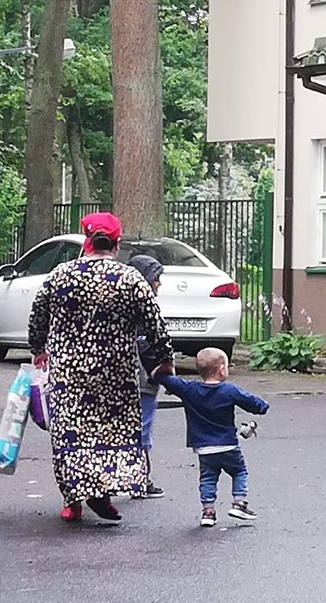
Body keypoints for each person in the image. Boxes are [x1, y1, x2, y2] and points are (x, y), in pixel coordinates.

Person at [27, 211, 170, 523]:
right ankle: (102, 493)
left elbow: (38, 315)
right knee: (110, 432)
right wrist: (165, 358)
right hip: (115, 371)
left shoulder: (60, 275)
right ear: (116, 245)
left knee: (71, 434)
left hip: (69, 371)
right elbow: (155, 323)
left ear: (86, 243)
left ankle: (73, 500)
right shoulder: (131, 278)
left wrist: (38, 349)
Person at [157, 346, 270, 527]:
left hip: (204, 448)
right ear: (222, 369)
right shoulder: (229, 390)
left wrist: (160, 371)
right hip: (228, 445)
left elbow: (169, 381)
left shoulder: (189, 389)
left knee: (208, 478)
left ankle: (208, 512)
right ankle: (239, 503)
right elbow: (256, 405)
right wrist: (263, 406)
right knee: (239, 471)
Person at [127, 253, 171, 498]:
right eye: (156, 278)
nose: (159, 284)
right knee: (142, 430)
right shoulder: (144, 309)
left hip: (123, 380)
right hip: (143, 381)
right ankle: (140, 479)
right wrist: (160, 369)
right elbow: (148, 343)